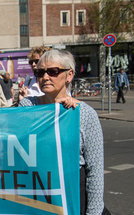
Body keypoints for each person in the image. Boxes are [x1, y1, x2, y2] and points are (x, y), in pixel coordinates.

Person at [19, 50, 104, 214]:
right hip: (35, 196)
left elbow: (95, 173)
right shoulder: (27, 107)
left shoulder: (84, 114)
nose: (45, 77)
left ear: (69, 75)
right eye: (39, 72)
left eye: (53, 72)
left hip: (71, 197)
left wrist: (93, 212)